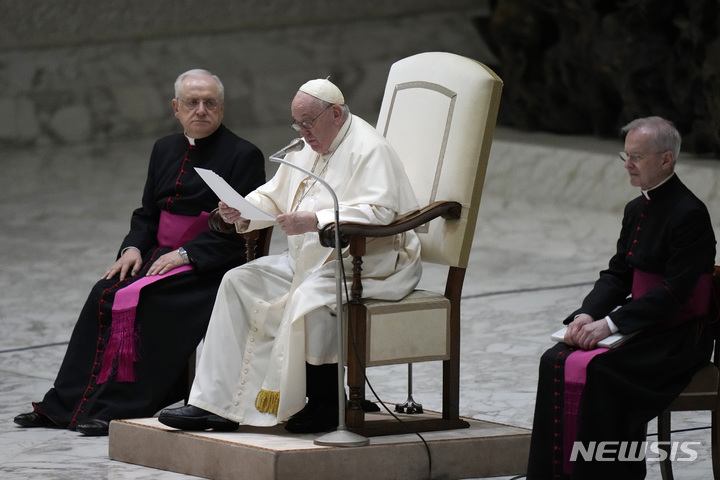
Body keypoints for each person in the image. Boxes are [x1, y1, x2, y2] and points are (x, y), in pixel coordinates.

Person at [158, 78, 422, 434]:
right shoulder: (308, 145)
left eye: (308, 122)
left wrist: (316, 220)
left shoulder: (369, 149)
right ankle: (214, 403)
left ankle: (326, 404)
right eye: (297, 123)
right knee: (238, 281)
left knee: (308, 299)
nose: (303, 132)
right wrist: (244, 208)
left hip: (363, 263)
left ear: (336, 114)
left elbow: (380, 212)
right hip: (305, 262)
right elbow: (274, 193)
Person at [13, 69, 266, 437]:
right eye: (192, 103)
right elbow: (147, 213)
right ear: (175, 108)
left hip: (210, 266)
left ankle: (117, 407)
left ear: (222, 108)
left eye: (210, 103)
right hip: (157, 255)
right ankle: (62, 405)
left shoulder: (243, 154)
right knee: (104, 292)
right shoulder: (164, 148)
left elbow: (245, 230)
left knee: (150, 302)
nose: (201, 110)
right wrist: (131, 248)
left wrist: (185, 254)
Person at [526, 116, 716, 479]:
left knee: (601, 371)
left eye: (637, 157)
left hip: (679, 335)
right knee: (555, 358)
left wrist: (610, 324)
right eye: (625, 155)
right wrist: (586, 315)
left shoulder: (689, 213)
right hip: (642, 324)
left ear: (666, 159)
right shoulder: (636, 209)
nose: (627, 165)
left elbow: (675, 293)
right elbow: (618, 274)